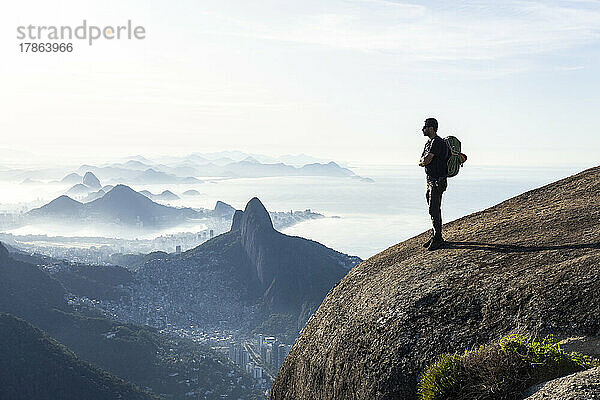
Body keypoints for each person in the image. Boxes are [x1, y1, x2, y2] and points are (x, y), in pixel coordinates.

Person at [419, 117, 448, 251]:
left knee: (434, 209)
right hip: (430, 180)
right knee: (432, 209)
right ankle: (435, 235)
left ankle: (438, 238)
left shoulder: (437, 142)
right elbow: (422, 160)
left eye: (424, 127)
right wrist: (424, 161)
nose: (422, 129)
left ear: (431, 128)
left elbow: (427, 159)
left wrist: (424, 161)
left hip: (437, 181)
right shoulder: (428, 143)